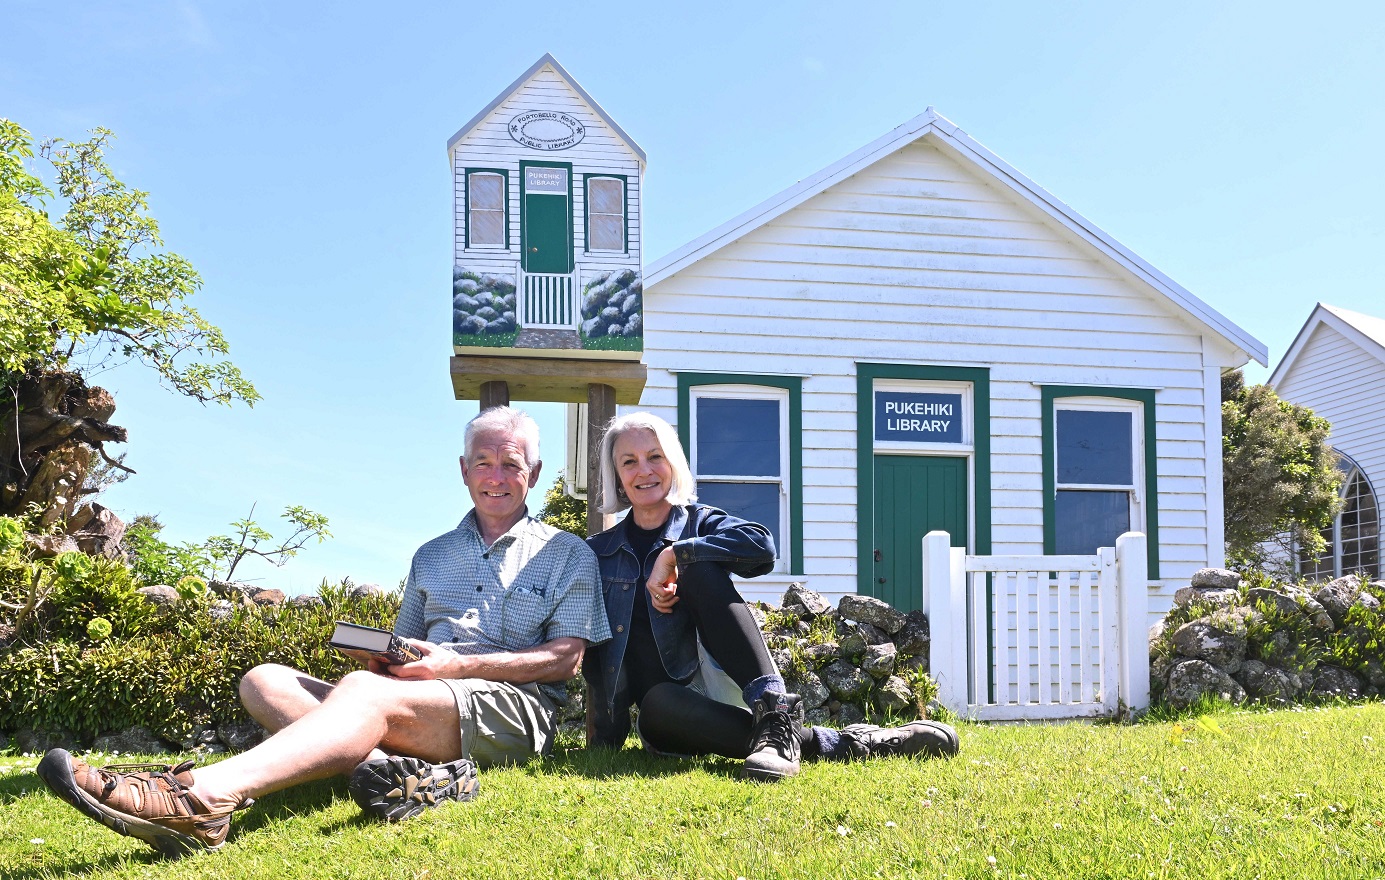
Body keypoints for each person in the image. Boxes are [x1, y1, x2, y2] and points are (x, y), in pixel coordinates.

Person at [37, 406, 610, 856]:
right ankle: (400, 777)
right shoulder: (431, 555)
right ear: (463, 470)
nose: (496, 476)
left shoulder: (567, 554)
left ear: (533, 474)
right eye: (483, 462)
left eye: (512, 464)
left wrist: (454, 665)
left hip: (514, 711)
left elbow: (564, 661)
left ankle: (202, 796)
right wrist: (386, 660)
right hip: (424, 698)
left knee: (360, 695)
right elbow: (401, 646)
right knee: (265, 680)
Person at [583, 412, 958, 781]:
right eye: (629, 462)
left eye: (655, 457)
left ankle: (775, 711)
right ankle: (847, 743)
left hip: (726, 682)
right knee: (658, 703)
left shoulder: (700, 521)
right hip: (671, 715)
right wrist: (604, 739)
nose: (644, 471)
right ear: (616, 476)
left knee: (698, 567)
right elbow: (598, 654)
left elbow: (762, 546)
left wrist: (675, 554)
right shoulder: (598, 553)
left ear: (673, 463)